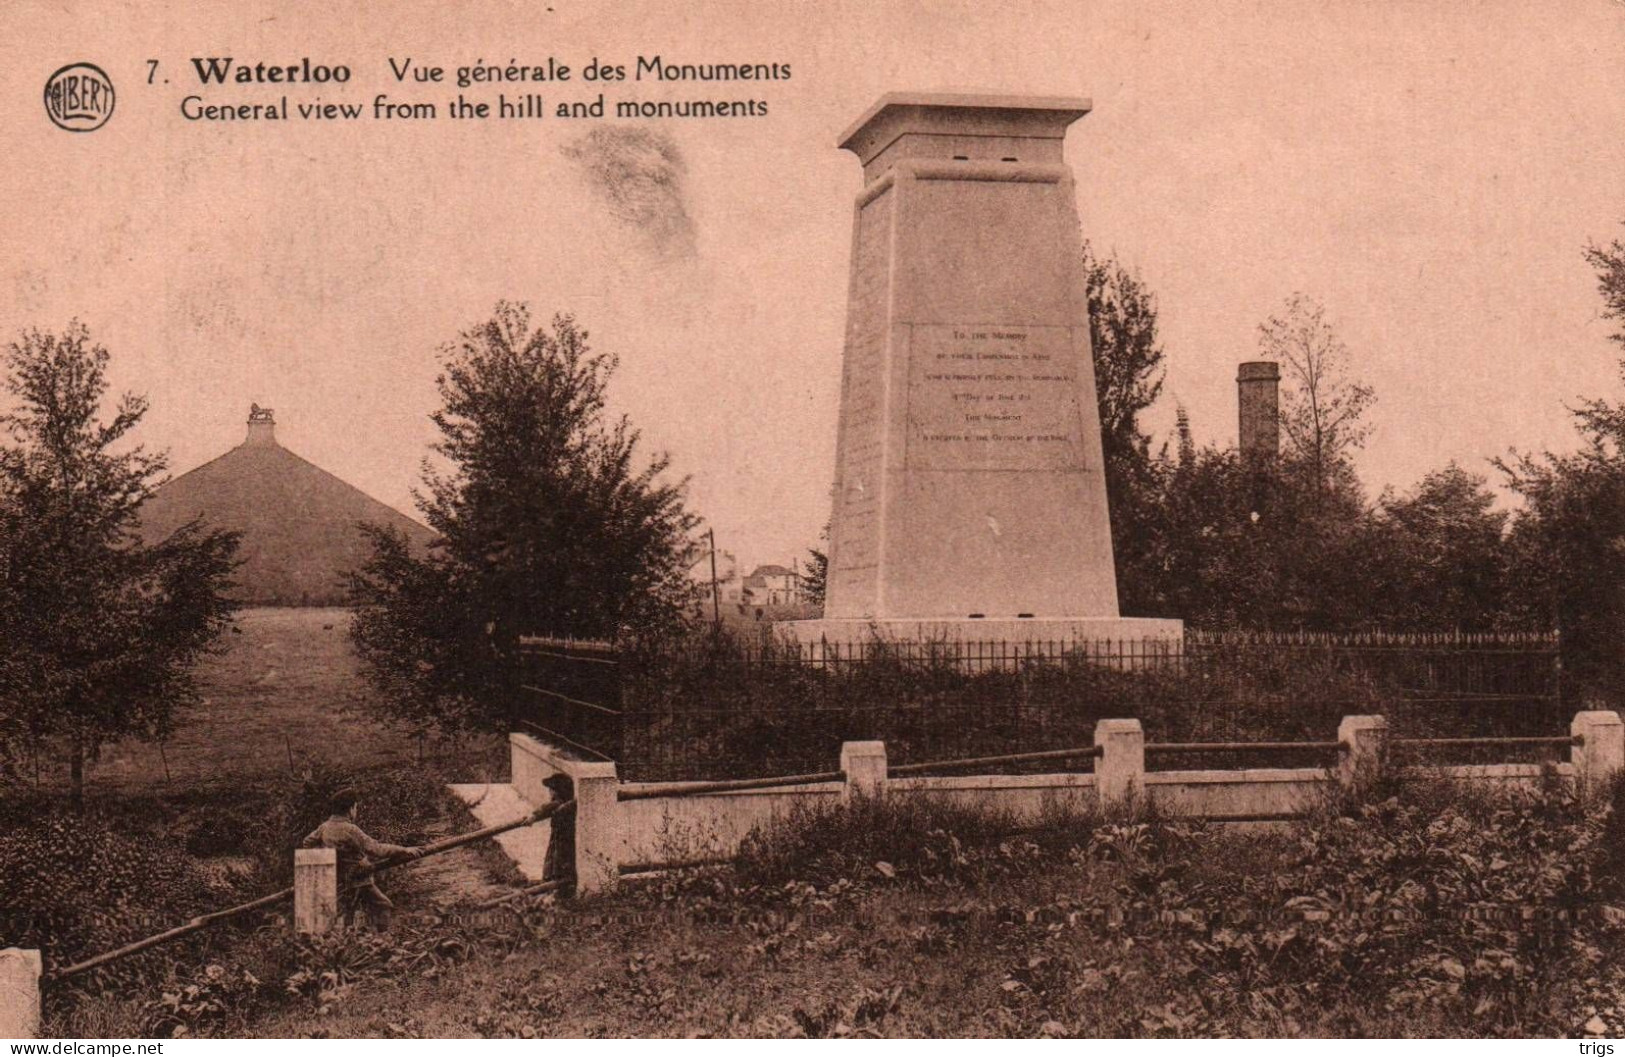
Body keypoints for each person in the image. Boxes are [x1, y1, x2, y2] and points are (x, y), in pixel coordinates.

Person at [300, 788, 425, 929]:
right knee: (383, 906)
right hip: (358, 880)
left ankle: (351, 942)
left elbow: (307, 842)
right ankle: (382, 940)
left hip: (339, 879)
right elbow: (376, 849)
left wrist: (328, 857)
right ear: (351, 809)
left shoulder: (324, 827)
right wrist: (405, 850)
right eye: (356, 807)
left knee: (347, 914)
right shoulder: (350, 829)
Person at [540, 773, 577, 892]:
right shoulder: (567, 803)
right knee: (556, 857)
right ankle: (554, 882)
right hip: (558, 835)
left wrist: (533, 816)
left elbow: (545, 808)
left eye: (552, 789)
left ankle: (556, 883)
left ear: (558, 791)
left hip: (562, 836)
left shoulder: (560, 803)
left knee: (558, 857)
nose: (549, 792)